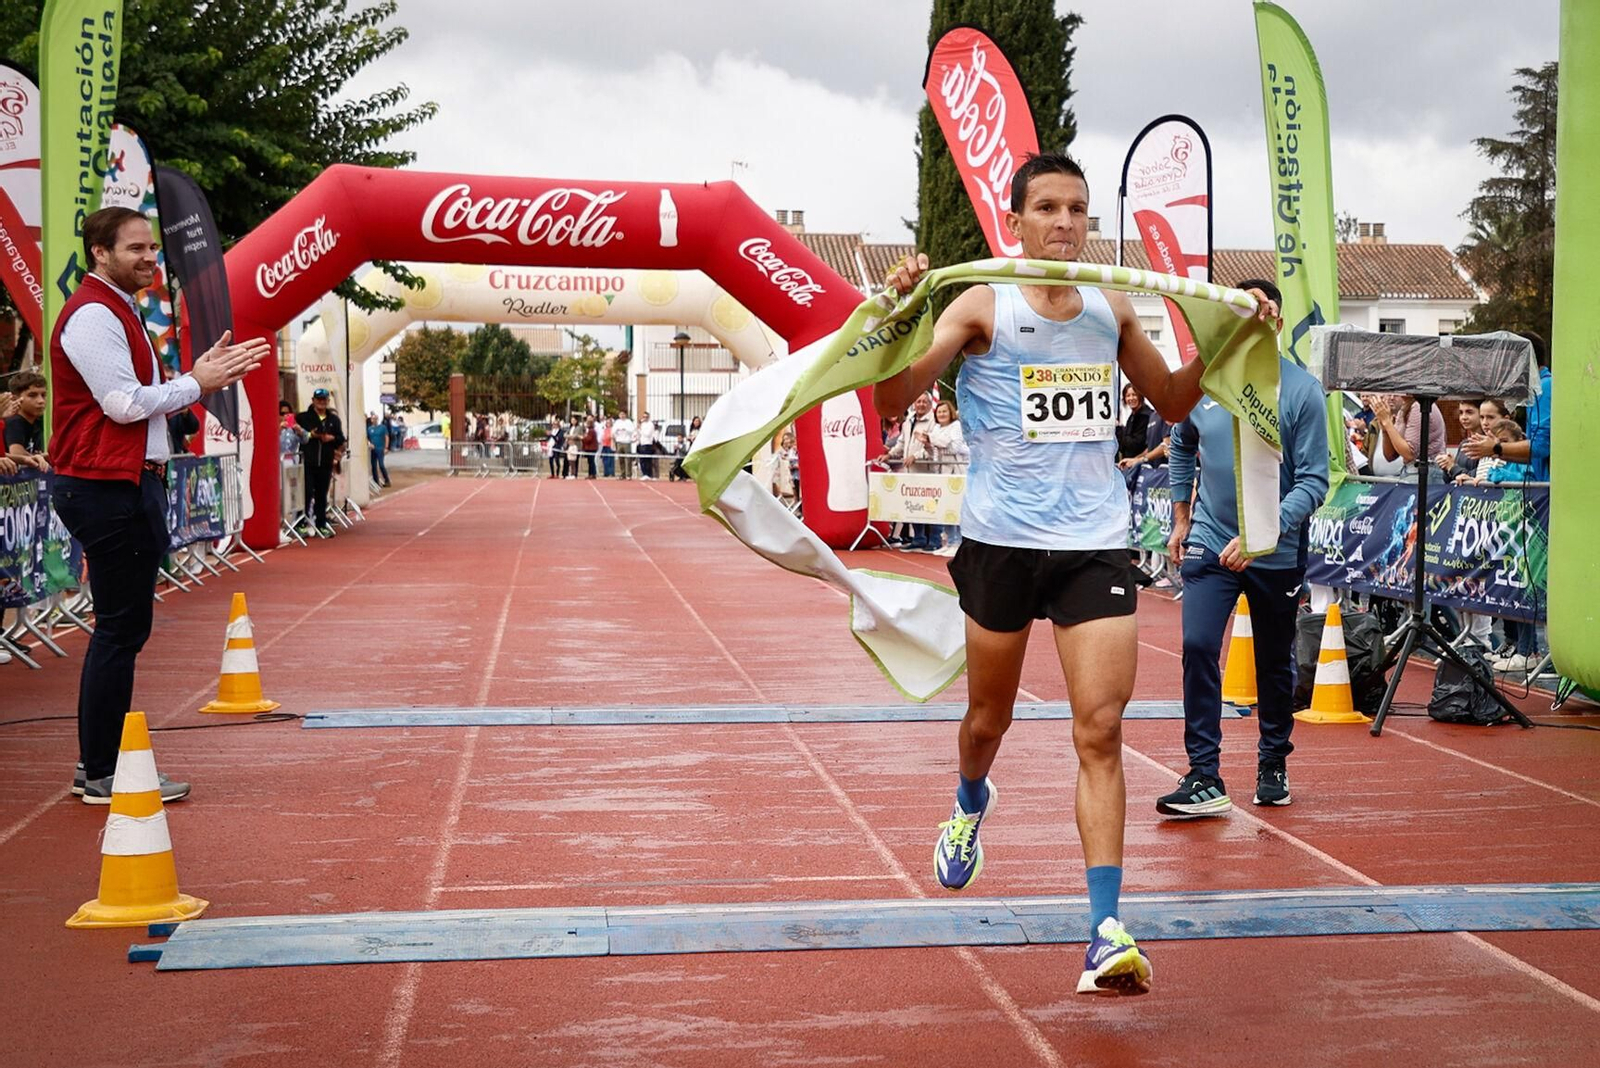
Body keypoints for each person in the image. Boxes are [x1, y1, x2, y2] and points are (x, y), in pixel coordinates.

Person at [877, 152, 1281, 997]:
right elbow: (890, 399)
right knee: (987, 720)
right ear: (1016, 222)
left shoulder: (1111, 304)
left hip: (1095, 543)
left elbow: (1172, 402)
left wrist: (1232, 337)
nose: (1066, 223)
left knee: (1099, 732)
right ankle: (970, 798)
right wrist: (902, 316)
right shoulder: (981, 302)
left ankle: (1104, 930)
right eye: (1049, 208)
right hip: (1001, 547)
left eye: (1079, 210)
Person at [48, 205, 267, 803]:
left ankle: (97, 764)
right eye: (135, 249)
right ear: (99, 252)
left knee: (123, 628)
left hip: (123, 481)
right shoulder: (94, 314)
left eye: (152, 248)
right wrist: (196, 384)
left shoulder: (121, 310)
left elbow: (136, 403)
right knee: (120, 629)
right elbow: (122, 403)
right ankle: (101, 772)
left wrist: (192, 387)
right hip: (103, 484)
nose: (149, 258)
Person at [1160, 277, 1330, 819]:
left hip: (1272, 553)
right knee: (1197, 646)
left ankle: (1273, 762)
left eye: (1266, 313)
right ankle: (1204, 776)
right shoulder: (1208, 385)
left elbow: (1314, 481)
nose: (1255, 320)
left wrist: (1264, 531)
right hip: (1210, 543)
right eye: (1243, 313)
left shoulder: (1301, 391)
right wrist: (1182, 515)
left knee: (1273, 662)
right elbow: (1180, 445)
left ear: (1276, 323)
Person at [296, 388, 346, 536]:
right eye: (318, 399)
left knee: (322, 495)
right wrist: (313, 435)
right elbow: (298, 433)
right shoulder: (304, 417)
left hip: (325, 461)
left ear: (328, 401)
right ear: (313, 400)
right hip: (308, 461)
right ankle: (301, 523)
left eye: (324, 399)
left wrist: (332, 438)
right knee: (306, 492)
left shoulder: (333, 419)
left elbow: (341, 438)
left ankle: (321, 524)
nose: (321, 402)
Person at [926, 397, 968, 555]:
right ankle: (949, 540)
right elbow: (936, 451)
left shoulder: (956, 426)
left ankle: (957, 541)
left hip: (956, 471)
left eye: (944, 411)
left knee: (956, 506)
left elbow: (955, 447)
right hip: (941, 471)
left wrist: (934, 440)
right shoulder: (936, 429)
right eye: (939, 412)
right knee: (945, 507)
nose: (942, 414)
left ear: (950, 412)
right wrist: (929, 445)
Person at [4, 371, 50, 472]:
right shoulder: (14, 421)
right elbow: (16, 452)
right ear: (15, 398)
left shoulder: (38, 422)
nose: (40, 401)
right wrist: (43, 457)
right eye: (32, 395)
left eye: (43, 395)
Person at [367, 414, 391, 487]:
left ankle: (387, 480)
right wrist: (369, 443)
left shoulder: (382, 428)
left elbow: (386, 437)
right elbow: (367, 438)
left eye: (375, 419)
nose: (374, 420)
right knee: (373, 466)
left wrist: (386, 447)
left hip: (380, 448)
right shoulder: (369, 429)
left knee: (381, 465)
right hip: (373, 449)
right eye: (372, 419)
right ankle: (376, 481)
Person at [613, 411, 636, 479]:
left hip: (626, 442)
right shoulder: (617, 422)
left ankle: (629, 474)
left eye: (623, 414)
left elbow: (632, 430)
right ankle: (622, 474)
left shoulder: (629, 422)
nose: (622, 415)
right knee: (621, 459)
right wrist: (617, 432)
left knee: (628, 459)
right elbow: (613, 430)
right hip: (619, 441)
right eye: (621, 414)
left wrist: (625, 429)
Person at [637, 411, 659, 480]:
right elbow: (639, 433)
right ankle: (644, 473)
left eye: (646, 417)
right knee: (642, 460)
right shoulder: (643, 424)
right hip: (642, 443)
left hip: (648, 443)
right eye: (643, 417)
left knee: (647, 460)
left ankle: (648, 474)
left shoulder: (650, 425)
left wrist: (640, 429)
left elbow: (647, 434)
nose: (644, 418)